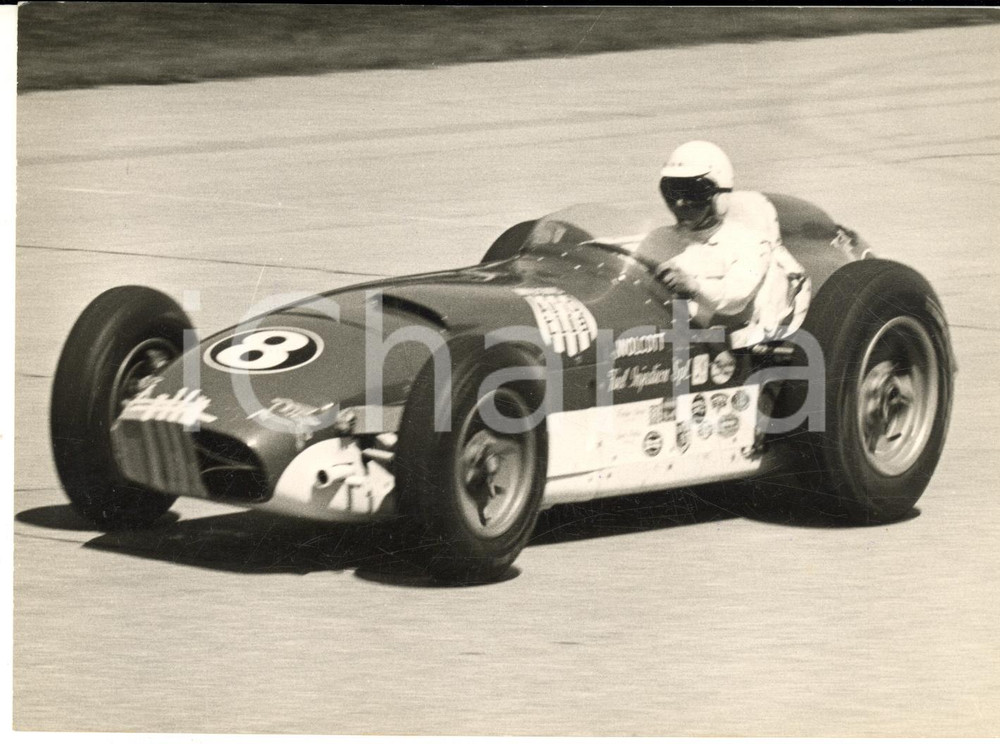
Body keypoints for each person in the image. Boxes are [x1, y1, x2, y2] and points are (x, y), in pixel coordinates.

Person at [651, 140, 809, 347]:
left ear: (719, 198)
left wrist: (694, 286)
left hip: (719, 346)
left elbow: (736, 297)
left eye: (692, 193)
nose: (680, 203)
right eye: (672, 192)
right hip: (659, 332)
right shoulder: (658, 238)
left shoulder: (749, 242)